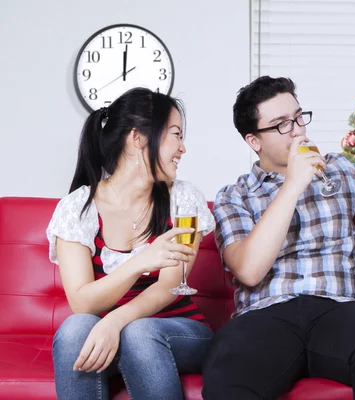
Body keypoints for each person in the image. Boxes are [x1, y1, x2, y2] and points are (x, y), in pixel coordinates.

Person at [201, 76, 355, 400]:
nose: (298, 131)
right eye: (281, 125)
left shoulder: (340, 171)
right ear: (253, 140)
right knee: (226, 371)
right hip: (265, 316)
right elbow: (248, 270)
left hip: (339, 309)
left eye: (298, 118)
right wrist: (293, 184)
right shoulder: (235, 196)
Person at [47, 87, 215, 400]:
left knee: (139, 333)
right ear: (137, 138)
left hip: (177, 331)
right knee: (73, 331)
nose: (183, 148)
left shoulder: (183, 199)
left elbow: (168, 288)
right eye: (175, 135)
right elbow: (83, 304)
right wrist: (139, 262)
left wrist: (116, 321)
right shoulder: (78, 209)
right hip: (104, 331)